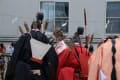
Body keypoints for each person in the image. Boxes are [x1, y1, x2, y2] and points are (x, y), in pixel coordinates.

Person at [5, 12, 58, 80]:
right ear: (40, 28)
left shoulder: (24, 37)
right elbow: (53, 58)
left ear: (30, 28)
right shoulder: (45, 38)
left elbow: (15, 55)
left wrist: (9, 75)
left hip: (24, 74)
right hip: (40, 74)